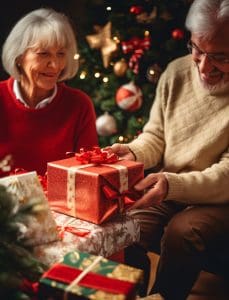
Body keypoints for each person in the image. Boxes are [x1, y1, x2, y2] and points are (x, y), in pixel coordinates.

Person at [110, 0, 229, 299]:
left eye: (220, 57)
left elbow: (226, 176)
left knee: (183, 231)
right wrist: (133, 152)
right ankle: (126, 294)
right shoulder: (176, 72)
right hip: (172, 186)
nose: (203, 67)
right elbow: (156, 136)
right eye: (197, 50)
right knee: (127, 226)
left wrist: (170, 184)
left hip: (220, 199)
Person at [0, 8, 98, 175]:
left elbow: (88, 176)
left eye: (61, 54)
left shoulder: (79, 105)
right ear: (19, 57)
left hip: (62, 201)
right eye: (43, 54)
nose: (55, 65)